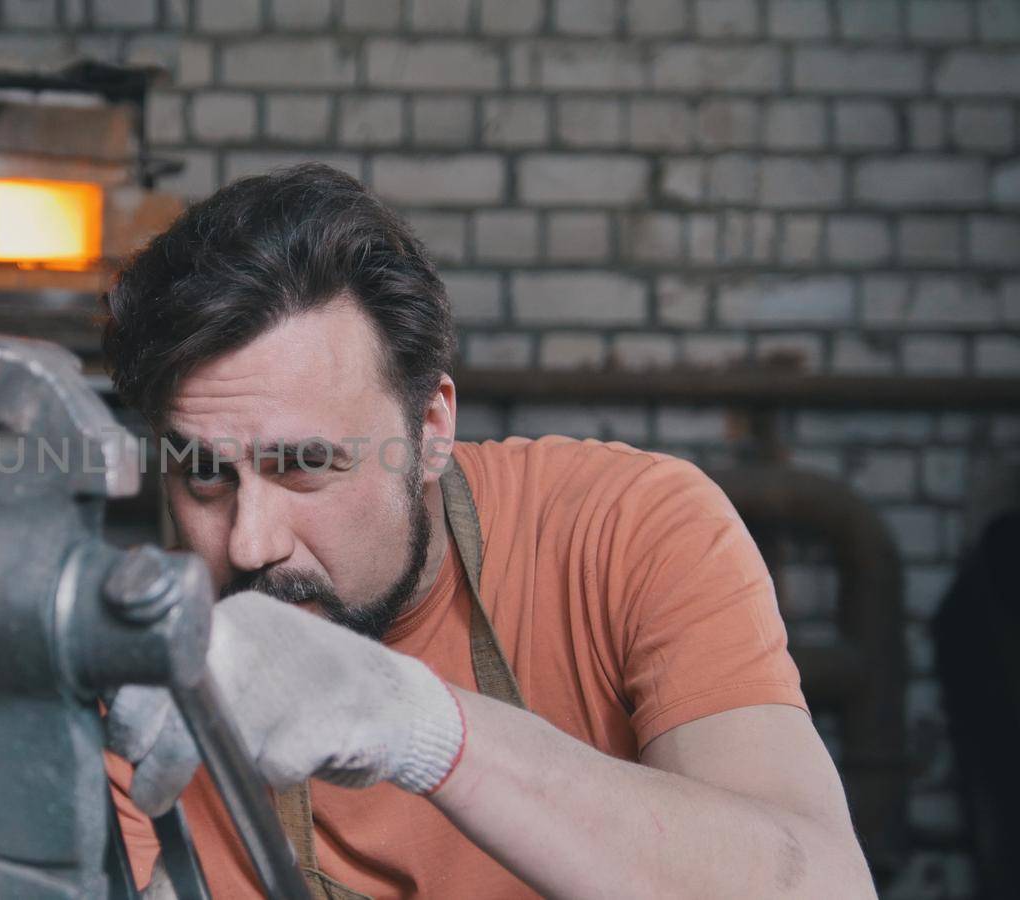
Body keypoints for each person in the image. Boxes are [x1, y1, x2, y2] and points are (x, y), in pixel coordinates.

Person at [99, 163, 873, 899]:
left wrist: (418, 725)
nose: (249, 544)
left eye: (304, 465)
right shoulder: (143, 688)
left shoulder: (627, 531)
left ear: (431, 429)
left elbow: (824, 887)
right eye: (204, 473)